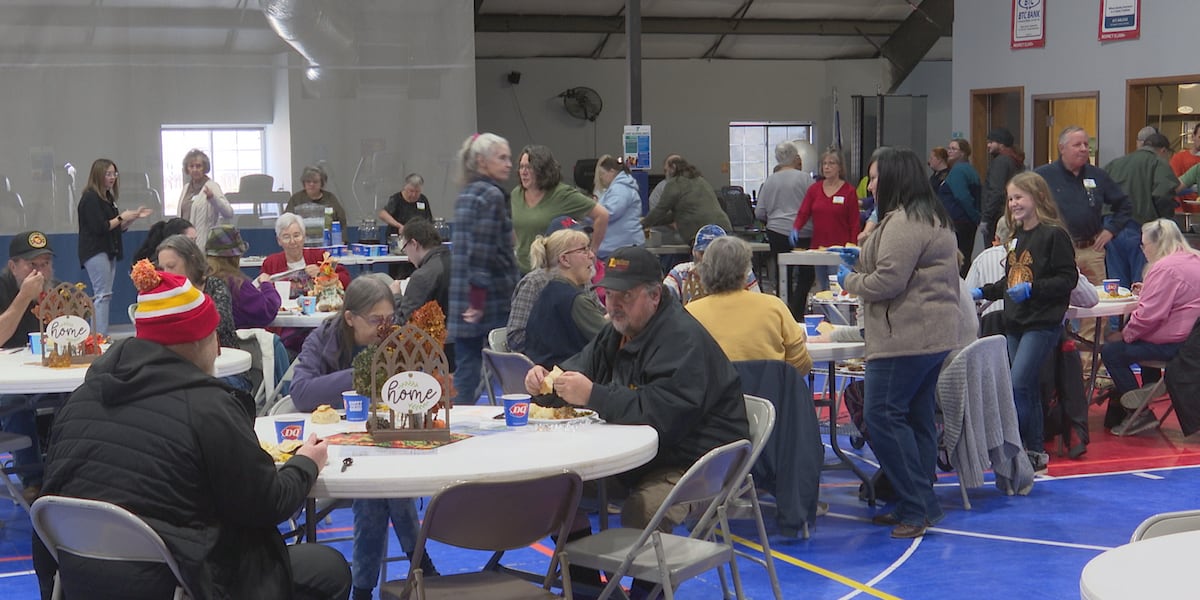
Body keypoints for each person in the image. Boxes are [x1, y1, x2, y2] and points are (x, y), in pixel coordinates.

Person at [33, 262, 349, 600]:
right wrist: (306, 463)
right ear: (205, 340)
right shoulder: (207, 408)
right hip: (182, 582)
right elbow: (268, 504)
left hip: (82, 583)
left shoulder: (79, 401)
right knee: (328, 568)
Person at [523, 245, 748, 533]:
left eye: (625, 296)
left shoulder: (681, 339)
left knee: (643, 512)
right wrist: (545, 385)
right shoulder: (618, 331)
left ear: (655, 295)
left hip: (697, 461)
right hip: (649, 455)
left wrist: (593, 395)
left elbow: (662, 416)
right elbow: (577, 370)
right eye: (610, 295)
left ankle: (646, 580)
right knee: (555, 489)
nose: (613, 304)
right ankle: (585, 579)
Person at [837, 147, 961, 539]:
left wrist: (849, 281)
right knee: (917, 418)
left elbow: (887, 281)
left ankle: (916, 504)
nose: (870, 185)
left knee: (883, 416)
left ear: (893, 179)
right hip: (930, 337)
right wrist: (860, 255)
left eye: (874, 177)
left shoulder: (905, 222)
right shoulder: (926, 216)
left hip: (904, 338)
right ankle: (920, 501)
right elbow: (896, 265)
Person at [288, 274, 432, 600]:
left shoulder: (398, 341)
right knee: (381, 486)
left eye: (389, 318)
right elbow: (300, 391)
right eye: (375, 320)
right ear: (349, 318)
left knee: (378, 488)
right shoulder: (322, 339)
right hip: (335, 450)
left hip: (388, 442)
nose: (384, 327)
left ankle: (363, 589)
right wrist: (361, 374)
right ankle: (420, 561)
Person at [973, 172, 1077, 472]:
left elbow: (1066, 278)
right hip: (1016, 321)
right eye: (1010, 198)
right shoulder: (1016, 238)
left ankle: (1016, 447)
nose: (1014, 203)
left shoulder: (1053, 234)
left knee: (1017, 384)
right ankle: (1034, 451)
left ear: (1037, 197)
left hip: (1041, 322)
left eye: (1019, 197)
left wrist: (1034, 289)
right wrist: (983, 291)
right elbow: (1011, 280)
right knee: (1026, 387)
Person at [1102, 219, 1200, 435]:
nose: (1142, 250)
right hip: (1193, 341)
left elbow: (1148, 317)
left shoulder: (1164, 268)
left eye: (1144, 245)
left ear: (1157, 243)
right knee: (1144, 337)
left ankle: (1139, 410)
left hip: (1177, 343)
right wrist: (1149, 288)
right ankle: (1149, 387)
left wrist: (1124, 334)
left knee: (1111, 350)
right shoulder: (1194, 258)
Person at [449, 133, 520, 405]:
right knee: (504, 365)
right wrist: (478, 299)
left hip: (463, 295)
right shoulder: (492, 195)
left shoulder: (466, 194)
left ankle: (461, 423)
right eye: (502, 157)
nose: (509, 164)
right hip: (489, 298)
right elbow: (482, 251)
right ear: (481, 161)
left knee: (466, 370)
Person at [686, 236, 812, 375]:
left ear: (704, 270)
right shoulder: (774, 306)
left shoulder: (689, 314)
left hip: (714, 395)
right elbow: (801, 363)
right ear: (746, 271)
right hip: (769, 394)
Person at [0, 231, 58, 501]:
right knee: (15, 402)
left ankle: (64, 471)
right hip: (9, 380)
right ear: (13, 267)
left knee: (77, 397)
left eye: (45, 264)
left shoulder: (56, 291)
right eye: (31, 265)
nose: (40, 271)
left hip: (45, 373)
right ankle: (33, 480)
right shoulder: (3, 287)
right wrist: (24, 298)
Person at [77, 158, 152, 334]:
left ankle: (98, 334)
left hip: (108, 249)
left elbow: (117, 228)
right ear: (98, 175)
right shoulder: (90, 198)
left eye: (114, 174)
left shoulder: (108, 198)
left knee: (105, 294)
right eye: (108, 174)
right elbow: (100, 227)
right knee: (102, 294)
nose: (112, 178)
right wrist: (121, 218)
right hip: (95, 250)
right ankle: (98, 336)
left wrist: (131, 218)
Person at [505, 216, 599, 354]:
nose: (591, 255)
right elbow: (515, 337)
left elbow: (600, 317)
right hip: (544, 365)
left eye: (588, 247)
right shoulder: (534, 282)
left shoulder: (583, 279)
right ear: (563, 257)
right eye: (583, 249)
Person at [511, 145, 609, 273]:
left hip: (552, 271)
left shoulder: (562, 194)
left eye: (529, 167)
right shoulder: (516, 194)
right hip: (522, 269)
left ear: (542, 170)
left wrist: (592, 251)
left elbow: (602, 215)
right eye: (521, 167)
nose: (523, 172)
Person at [1102, 133, 1180, 289]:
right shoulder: (1158, 163)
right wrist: (1164, 220)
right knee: (1142, 284)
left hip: (1110, 228)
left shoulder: (1115, 163)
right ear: (1163, 150)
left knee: (1116, 288)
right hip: (1141, 227)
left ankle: (1116, 314)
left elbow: (1098, 192)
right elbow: (1163, 194)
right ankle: (1138, 314)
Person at [523, 228, 606, 367]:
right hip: (571, 379)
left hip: (546, 377)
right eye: (584, 250)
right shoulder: (575, 300)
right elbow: (613, 339)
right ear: (565, 259)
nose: (591, 255)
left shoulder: (548, 292)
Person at [756, 140, 815, 318]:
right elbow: (816, 206)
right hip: (804, 233)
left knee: (783, 275)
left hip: (777, 232)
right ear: (795, 157)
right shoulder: (806, 179)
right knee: (806, 275)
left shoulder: (770, 181)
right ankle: (798, 310)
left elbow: (759, 212)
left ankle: (785, 313)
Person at [791, 149, 860, 290]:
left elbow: (854, 222)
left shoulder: (849, 191)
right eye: (824, 164)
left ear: (840, 167)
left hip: (841, 250)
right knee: (823, 289)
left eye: (831, 163)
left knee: (839, 290)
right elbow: (803, 212)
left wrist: (852, 246)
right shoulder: (814, 190)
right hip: (819, 248)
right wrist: (796, 228)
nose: (827, 167)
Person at [155, 234, 237, 351]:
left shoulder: (215, 286)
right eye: (162, 269)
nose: (166, 274)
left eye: (171, 266)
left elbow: (219, 323)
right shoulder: (163, 293)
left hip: (223, 357)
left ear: (191, 261)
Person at [394, 217, 455, 368]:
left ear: (414, 244)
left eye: (405, 248)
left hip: (437, 356)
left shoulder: (422, 276)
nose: (408, 258)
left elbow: (404, 323)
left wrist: (396, 295)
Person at [644, 156, 731, 247]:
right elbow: (680, 214)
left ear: (673, 167)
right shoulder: (700, 180)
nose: (665, 174)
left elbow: (660, 210)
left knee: (704, 260)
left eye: (666, 170)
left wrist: (641, 225)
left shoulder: (675, 183)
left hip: (702, 234)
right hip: (723, 228)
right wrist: (655, 222)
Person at [205, 224, 281, 329]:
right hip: (237, 343)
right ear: (236, 256)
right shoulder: (237, 285)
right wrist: (267, 285)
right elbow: (267, 310)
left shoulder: (200, 280)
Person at [664, 224, 760, 304]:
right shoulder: (680, 273)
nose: (707, 259)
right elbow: (662, 304)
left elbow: (756, 302)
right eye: (703, 253)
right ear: (693, 251)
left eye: (715, 254)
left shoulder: (742, 271)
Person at [176, 149, 233, 252]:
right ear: (187, 169)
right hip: (184, 245)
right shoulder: (186, 188)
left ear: (205, 168)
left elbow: (228, 213)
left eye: (198, 166)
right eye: (191, 166)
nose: (195, 169)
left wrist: (213, 199)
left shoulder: (212, 186)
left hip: (204, 245)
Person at [943, 138, 982, 274]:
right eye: (949, 148)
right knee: (966, 255)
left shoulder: (958, 171)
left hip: (958, 221)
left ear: (963, 153)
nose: (949, 151)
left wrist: (975, 216)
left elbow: (962, 197)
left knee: (958, 259)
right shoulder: (970, 170)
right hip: (967, 222)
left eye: (954, 149)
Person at [594, 154, 645, 258]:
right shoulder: (620, 188)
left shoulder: (620, 188)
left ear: (612, 172)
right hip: (622, 245)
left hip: (620, 247)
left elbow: (610, 212)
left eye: (602, 174)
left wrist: (589, 213)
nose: (601, 177)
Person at [981, 128, 1025, 247]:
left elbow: (996, 191)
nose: (988, 145)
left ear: (1001, 144)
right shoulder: (1015, 161)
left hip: (997, 218)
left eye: (991, 142)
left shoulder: (1000, 162)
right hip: (1010, 216)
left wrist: (986, 218)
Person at [378, 173, 432, 239]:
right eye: (411, 191)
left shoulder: (423, 199)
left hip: (417, 238)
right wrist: (399, 226)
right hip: (398, 237)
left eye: (417, 192)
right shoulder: (396, 199)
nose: (414, 195)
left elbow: (428, 220)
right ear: (405, 188)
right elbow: (383, 214)